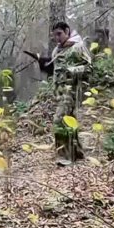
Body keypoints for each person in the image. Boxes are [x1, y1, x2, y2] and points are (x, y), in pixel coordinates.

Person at [45, 21, 92, 165]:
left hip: (72, 90)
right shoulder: (57, 51)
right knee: (69, 121)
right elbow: (55, 72)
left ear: (67, 31)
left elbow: (89, 67)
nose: (57, 38)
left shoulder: (77, 46)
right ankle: (77, 153)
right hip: (60, 92)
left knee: (59, 120)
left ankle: (64, 156)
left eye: (59, 34)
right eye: (55, 36)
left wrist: (72, 70)